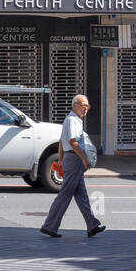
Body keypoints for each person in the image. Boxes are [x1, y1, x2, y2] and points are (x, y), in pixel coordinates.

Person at [40, 94, 105, 239]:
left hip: (71, 159)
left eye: (87, 106)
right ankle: (49, 226)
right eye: (83, 105)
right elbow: (73, 142)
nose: (86, 109)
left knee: (81, 195)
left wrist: (62, 160)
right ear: (75, 105)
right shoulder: (73, 121)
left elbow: (62, 142)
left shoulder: (70, 120)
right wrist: (84, 159)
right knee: (65, 194)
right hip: (75, 159)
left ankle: (92, 225)